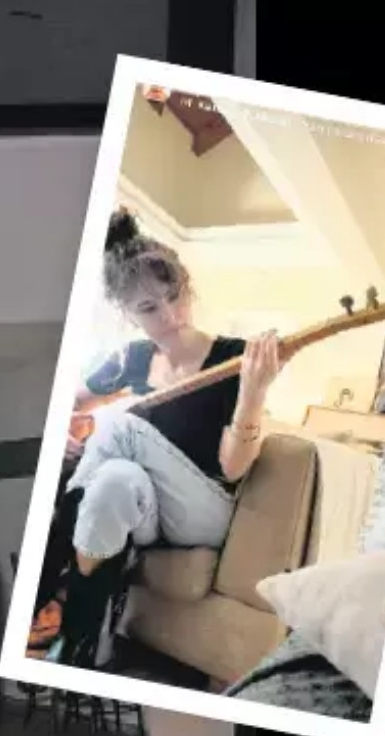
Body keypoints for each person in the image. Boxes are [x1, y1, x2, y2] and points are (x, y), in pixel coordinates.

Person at [28, 208, 284, 665]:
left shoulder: (232, 356)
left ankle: (43, 577)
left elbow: (233, 469)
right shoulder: (133, 359)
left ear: (188, 288)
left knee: (121, 426)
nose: (169, 314)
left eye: (174, 296)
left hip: (203, 511)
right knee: (114, 479)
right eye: (148, 308)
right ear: (127, 315)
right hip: (146, 511)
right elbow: (65, 399)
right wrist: (59, 428)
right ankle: (81, 637)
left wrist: (253, 393)